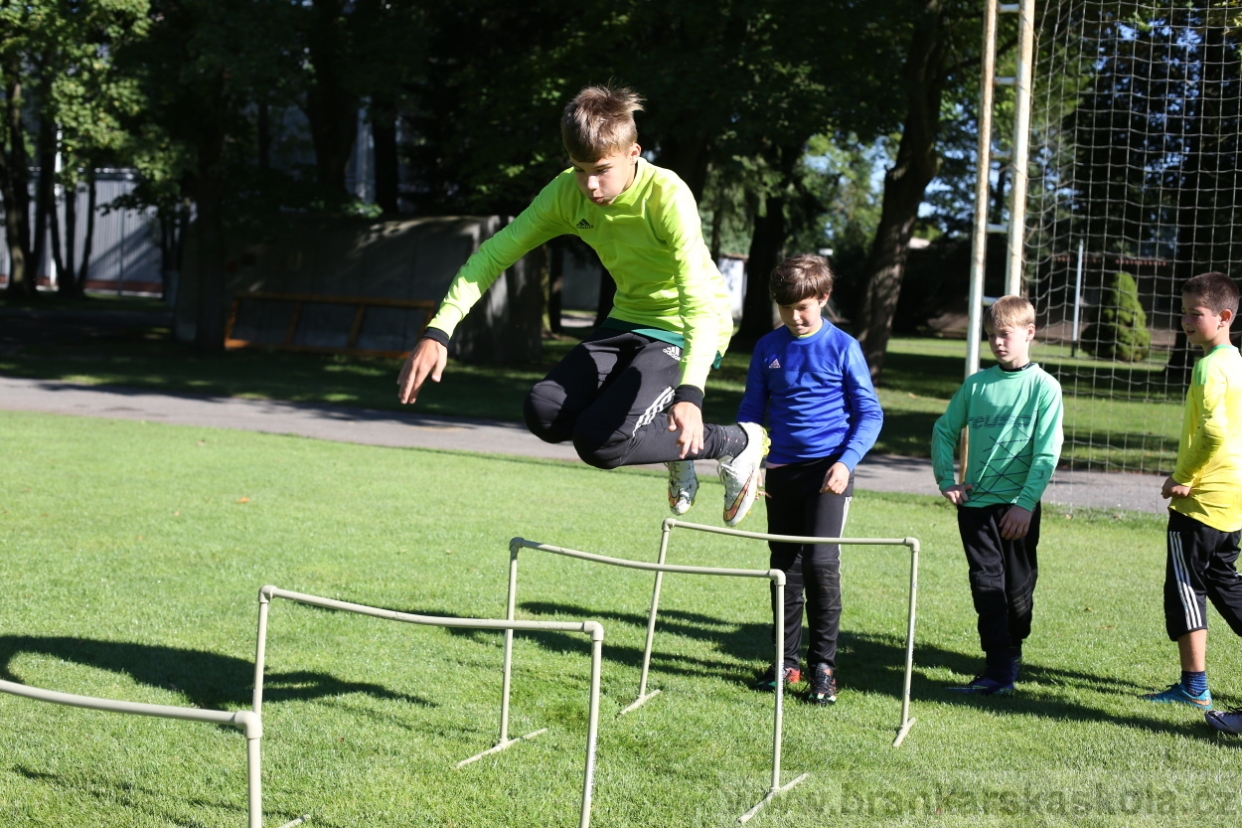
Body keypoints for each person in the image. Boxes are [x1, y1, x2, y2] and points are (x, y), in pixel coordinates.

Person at [396, 85, 767, 526]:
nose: (589, 185)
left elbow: (698, 302)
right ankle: (669, 443)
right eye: (578, 169)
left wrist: (690, 396)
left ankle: (737, 442)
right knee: (545, 411)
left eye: (601, 170)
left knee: (601, 443)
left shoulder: (667, 195)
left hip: (685, 327)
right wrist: (439, 331)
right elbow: (494, 255)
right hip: (627, 319)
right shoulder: (565, 194)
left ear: (634, 152)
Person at [739, 255, 883, 704]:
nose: (795, 318)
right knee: (786, 568)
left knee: (821, 563)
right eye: (786, 309)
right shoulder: (767, 348)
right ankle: (787, 663)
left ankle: (824, 666)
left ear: (823, 298)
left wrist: (846, 462)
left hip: (829, 474)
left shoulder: (844, 347)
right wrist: (747, 463)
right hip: (780, 471)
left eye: (803, 307)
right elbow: (751, 410)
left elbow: (870, 413)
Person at [930, 295, 1063, 695]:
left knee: (1018, 594)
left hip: (1018, 511)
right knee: (987, 588)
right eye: (991, 336)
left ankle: (1011, 649)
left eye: (1005, 334)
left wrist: (1024, 505)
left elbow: (1047, 453)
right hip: (976, 507)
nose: (998, 343)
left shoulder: (1044, 387)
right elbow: (943, 430)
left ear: (1029, 332)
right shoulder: (977, 385)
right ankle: (997, 672)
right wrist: (946, 480)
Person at [1138, 272, 1242, 722]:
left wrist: (1182, 476)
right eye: (1182, 312)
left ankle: (1194, 688)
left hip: (1200, 501)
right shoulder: (1237, 361)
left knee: (1185, 589)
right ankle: (1193, 685)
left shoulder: (1209, 366)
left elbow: (1215, 430)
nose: (1183, 321)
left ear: (1223, 317)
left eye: (1193, 314)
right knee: (1224, 581)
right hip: (1232, 500)